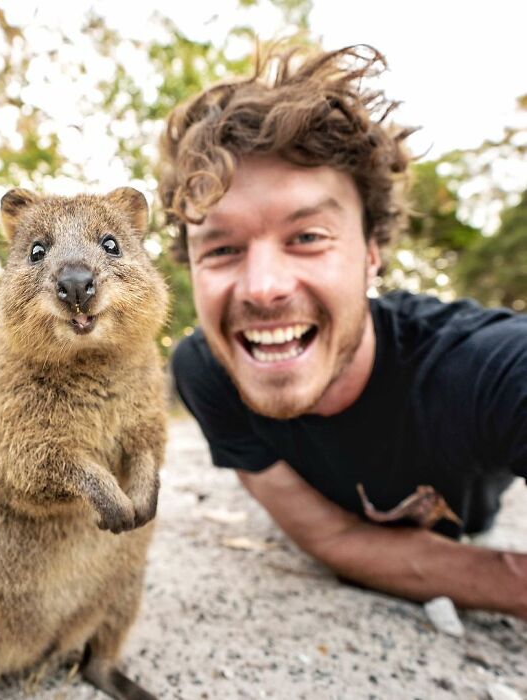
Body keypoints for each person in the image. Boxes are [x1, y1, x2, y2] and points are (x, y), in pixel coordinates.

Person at [157, 44, 527, 619]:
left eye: (307, 237)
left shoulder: (491, 368)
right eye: (223, 248)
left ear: (371, 252)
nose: (262, 287)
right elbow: (331, 541)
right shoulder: (204, 371)